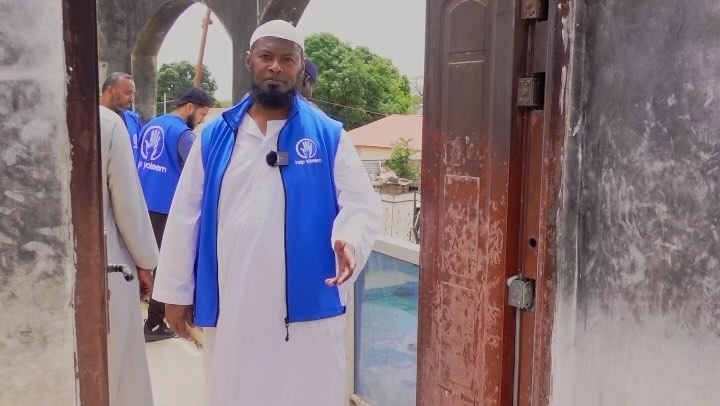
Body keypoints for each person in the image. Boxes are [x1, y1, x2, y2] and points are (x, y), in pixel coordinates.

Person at [152, 19, 382, 405]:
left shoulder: (328, 136)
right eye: (266, 57)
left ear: (300, 66)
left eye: (287, 59)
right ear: (250, 61)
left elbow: (362, 203)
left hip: (306, 306)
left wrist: (351, 241)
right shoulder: (213, 136)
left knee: (306, 392)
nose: (276, 66)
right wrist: (175, 292)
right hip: (233, 299)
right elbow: (184, 215)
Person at [137, 86, 211, 342]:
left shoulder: (152, 125)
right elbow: (200, 170)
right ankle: (155, 323)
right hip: (165, 206)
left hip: (143, 201)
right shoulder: (182, 134)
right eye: (202, 114)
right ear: (189, 107)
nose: (201, 121)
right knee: (166, 265)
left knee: (145, 261)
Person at [99, 104, 159, 406]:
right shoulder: (106, 124)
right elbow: (128, 206)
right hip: (102, 264)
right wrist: (146, 263)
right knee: (114, 368)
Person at [100, 72, 142, 161]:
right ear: (110, 91)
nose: (131, 99)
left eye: (133, 94)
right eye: (127, 93)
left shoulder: (133, 118)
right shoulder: (91, 119)